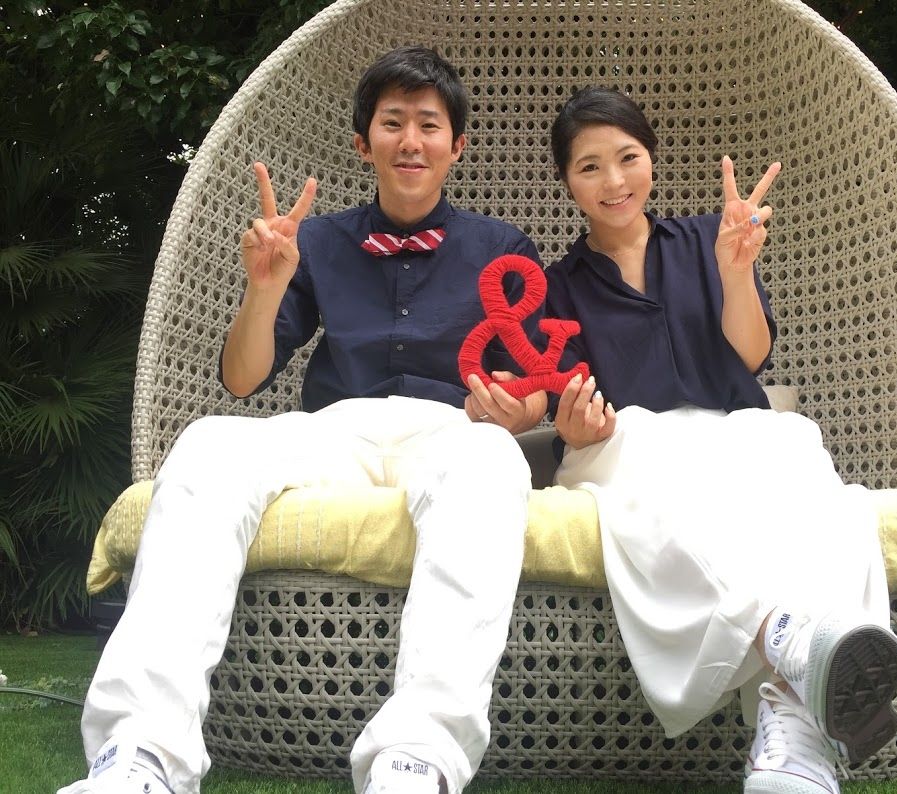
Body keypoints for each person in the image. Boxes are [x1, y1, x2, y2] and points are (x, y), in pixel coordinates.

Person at [60, 46, 549, 794]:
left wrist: (513, 409)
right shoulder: (314, 241)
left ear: (457, 145)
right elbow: (243, 377)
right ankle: (142, 755)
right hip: (335, 431)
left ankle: (418, 761)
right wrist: (264, 289)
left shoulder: (502, 247)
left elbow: (536, 384)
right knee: (208, 444)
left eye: (428, 124)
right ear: (363, 142)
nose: (410, 141)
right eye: (392, 122)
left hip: (452, 429)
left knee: (491, 463)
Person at [543, 87, 897, 794]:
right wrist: (573, 422)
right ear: (567, 181)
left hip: (729, 429)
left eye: (628, 157)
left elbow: (749, 356)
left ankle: (792, 735)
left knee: (798, 448)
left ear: (652, 158)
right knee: (650, 450)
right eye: (590, 167)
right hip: (622, 443)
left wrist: (736, 272)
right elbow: (566, 399)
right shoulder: (559, 286)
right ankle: (791, 641)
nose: (614, 181)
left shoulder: (709, 240)